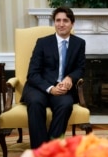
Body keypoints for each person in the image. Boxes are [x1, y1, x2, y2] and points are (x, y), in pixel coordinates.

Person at [21, 6, 86, 149]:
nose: (61, 24)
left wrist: (70, 78)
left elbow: (80, 68)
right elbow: (32, 73)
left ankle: (52, 148)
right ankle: (40, 151)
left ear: (72, 23)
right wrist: (50, 88)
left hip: (62, 88)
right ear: (54, 22)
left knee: (65, 104)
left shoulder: (79, 43)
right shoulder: (42, 42)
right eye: (58, 20)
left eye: (65, 20)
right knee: (36, 102)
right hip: (39, 86)